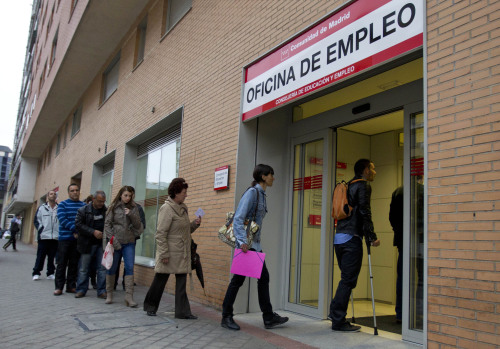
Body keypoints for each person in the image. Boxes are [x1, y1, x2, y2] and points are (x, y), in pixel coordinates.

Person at [221, 164, 289, 331]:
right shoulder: (253, 193)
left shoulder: (262, 194)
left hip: (254, 246)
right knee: (238, 281)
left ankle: (268, 317)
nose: (273, 177)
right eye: (271, 174)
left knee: (262, 278)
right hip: (246, 246)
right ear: (263, 176)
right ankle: (227, 316)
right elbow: (238, 218)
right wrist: (243, 241)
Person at [329, 159, 380, 332]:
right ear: (365, 170)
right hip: (352, 239)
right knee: (348, 280)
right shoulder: (363, 186)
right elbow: (365, 212)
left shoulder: (348, 185)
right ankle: (338, 319)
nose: (374, 172)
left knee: (346, 279)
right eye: (372, 169)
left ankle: (334, 312)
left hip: (339, 238)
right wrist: (372, 237)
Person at [143, 178, 201, 318]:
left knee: (181, 282)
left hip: (182, 253)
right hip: (169, 253)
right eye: (184, 192)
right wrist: (164, 253)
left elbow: (184, 232)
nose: (186, 195)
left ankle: (182, 312)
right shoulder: (167, 208)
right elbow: (160, 233)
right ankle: (150, 306)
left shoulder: (183, 208)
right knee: (160, 280)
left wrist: (195, 224)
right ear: (176, 192)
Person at [104, 185, 144, 306]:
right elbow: (107, 225)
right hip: (115, 242)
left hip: (129, 242)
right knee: (112, 267)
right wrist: (114, 241)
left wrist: (131, 214)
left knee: (129, 267)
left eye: (130, 196)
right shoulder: (113, 207)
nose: (127, 198)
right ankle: (109, 293)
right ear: (121, 195)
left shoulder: (134, 208)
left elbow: (138, 225)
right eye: (125, 195)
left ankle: (129, 297)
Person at [74, 191, 108, 299]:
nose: (101, 204)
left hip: (101, 244)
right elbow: (78, 225)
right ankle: (81, 290)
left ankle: (101, 290)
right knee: (83, 268)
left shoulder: (106, 211)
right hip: (87, 243)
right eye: (99, 201)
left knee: (102, 269)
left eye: (103, 201)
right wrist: (93, 232)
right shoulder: (83, 210)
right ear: (93, 199)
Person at [54, 183, 85, 296]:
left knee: (74, 264)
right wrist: (75, 230)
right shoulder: (62, 204)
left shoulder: (83, 205)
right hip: (64, 239)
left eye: (77, 190)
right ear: (68, 192)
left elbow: (84, 221)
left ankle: (71, 286)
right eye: (72, 190)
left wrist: (79, 232)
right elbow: (62, 219)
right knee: (61, 264)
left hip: (77, 241)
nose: (75, 192)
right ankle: (59, 287)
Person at [114, 186, 146, 291]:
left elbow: (142, 225)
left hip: (131, 240)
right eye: (126, 195)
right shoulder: (116, 207)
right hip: (117, 239)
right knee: (115, 262)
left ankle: (126, 285)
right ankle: (112, 284)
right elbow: (110, 223)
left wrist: (132, 232)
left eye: (131, 195)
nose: (129, 197)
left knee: (129, 264)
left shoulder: (137, 208)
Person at [32, 190, 59, 280]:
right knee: (40, 256)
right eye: (51, 194)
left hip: (54, 237)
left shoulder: (58, 208)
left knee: (51, 257)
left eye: (54, 194)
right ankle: (36, 273)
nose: (53, 195)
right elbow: (36, 220)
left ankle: (50, 273)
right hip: (44, 236)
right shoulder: (42, 208)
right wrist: (41, 228)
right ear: (48, 196)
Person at [389, 185, 403, 323]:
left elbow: (391, 217)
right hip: (417, 239)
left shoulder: (397, 192)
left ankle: (401, 313)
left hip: (401, 239)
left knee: (402, 275)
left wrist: (398, 230)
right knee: (421, 278)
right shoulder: (421, 190)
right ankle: (417, 312)